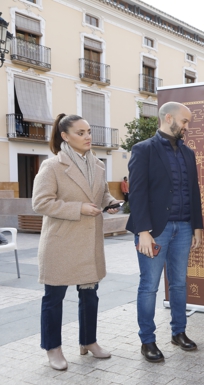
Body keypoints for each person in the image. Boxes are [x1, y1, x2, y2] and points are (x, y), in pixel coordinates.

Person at [32, 113, 123, 370]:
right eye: (80, 133)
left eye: (89, 132)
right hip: (60, 243)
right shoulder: (52, 166)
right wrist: (79, 208)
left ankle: (89, 342)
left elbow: (102, 192)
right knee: (54, 298)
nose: (87, 137)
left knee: (89, 296)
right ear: (65, 136)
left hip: (89, 242)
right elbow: (40, 202)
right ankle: (53, 348)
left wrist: (110, 203)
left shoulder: (97, 163)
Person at [126, 102, 204, 363]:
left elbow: (193, 192)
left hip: (183, 227)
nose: (186, 126)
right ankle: (147, 340)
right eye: (184, 121)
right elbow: (136, 194)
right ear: (168, 118)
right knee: (149, 286)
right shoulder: (143, 150)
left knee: (179, 283)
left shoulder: (188, 153)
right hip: (154, 231)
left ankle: (178, 332)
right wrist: (143, 231)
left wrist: (196, 227)